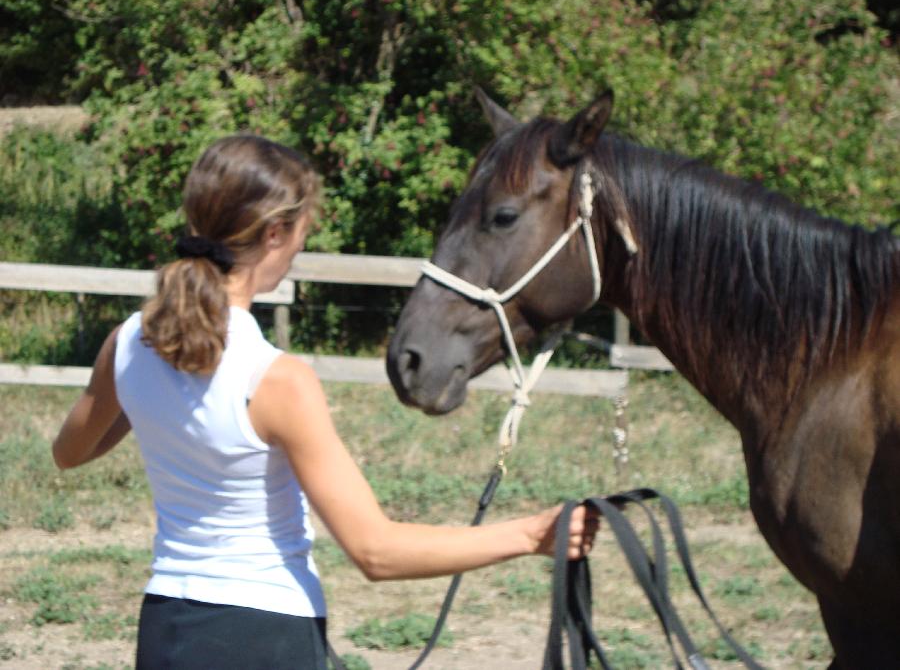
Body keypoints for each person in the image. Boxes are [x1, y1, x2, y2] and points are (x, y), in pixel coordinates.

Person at [51, 134, 598, 669]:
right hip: (264, 637)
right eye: (301, 234)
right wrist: (531, 535)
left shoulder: (127, 343)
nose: (299, 249)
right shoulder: (277, 380)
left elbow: (69, 452)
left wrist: (148, 398)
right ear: (273, 234)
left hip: (165, 628)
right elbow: (376, 551)